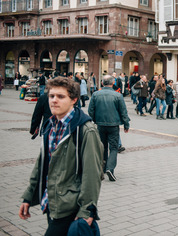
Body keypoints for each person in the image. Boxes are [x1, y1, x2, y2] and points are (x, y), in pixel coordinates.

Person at [19, 77, 103, 235]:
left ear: (74, 100)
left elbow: (92, 174)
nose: (54, 101)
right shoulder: (50, 125)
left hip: (70, 206)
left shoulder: (85, 130)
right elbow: (42, 163)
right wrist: (28, 197)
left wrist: (87, 210)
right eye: (51, 96)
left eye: (61, 96)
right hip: (51, 202)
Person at [88, 75, 130, 182]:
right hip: (113, 125)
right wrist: (126, 125)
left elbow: (90, 110)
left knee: (102, 147)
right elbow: (123, 112)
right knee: (114, 148)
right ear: (112, 83)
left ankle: (102, 170)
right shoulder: (118, 95)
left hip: (100, 125)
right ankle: (110, 168)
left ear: (102, 83)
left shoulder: (95, 94)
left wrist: (94, 120)